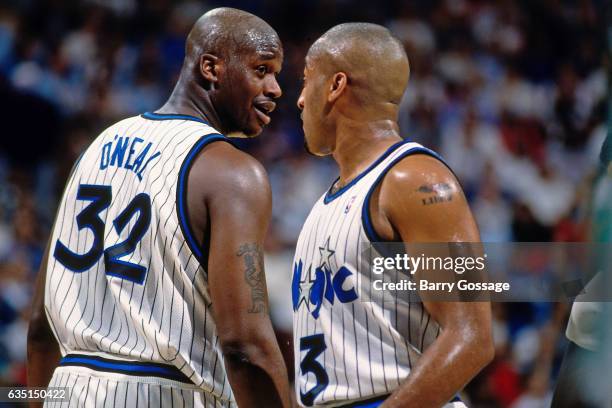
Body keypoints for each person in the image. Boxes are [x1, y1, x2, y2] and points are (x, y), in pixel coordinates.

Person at [27, 7, 291, 408]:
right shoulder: (232, 172)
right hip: (166, 392)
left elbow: (40, 324)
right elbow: (245, 346)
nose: (276, 88)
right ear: (211, 67)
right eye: (261, 69)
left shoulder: (96, 148)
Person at [291, 23, 494, 407]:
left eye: (306, 80)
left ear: (336, 85)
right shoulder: (327, 202)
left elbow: (472, 338)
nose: (300, 99)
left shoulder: (414, 179)